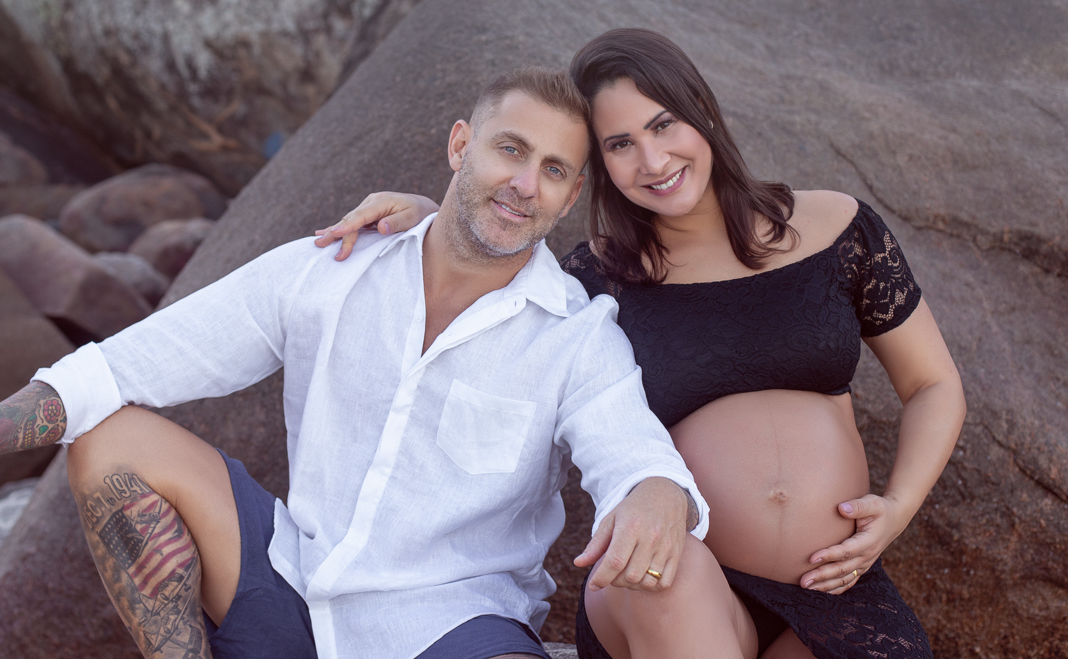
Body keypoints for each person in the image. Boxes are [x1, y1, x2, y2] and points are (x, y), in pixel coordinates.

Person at [0, 67, 719, 659]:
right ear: (460, 144)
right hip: (291, 584)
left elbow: (630, 449)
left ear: (570, 196)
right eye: (511, 149)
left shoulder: (576, 336)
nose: (524, 184)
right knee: (110, 440)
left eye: (553, 170)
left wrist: (654, 489)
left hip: (451, 628)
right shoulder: (331, 267)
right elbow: (130, 364)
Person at [316, 29, 966, 659]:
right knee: (667, 582)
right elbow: (487, 286)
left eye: (663, 125)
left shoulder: (838, 227)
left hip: (835, 586)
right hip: (668, 584)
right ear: (598, 165)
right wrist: (432, 214)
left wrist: (898, 507)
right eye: (621, 144)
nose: (652, 161)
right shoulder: (592, 279)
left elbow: (932, 384)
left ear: (701, 111)